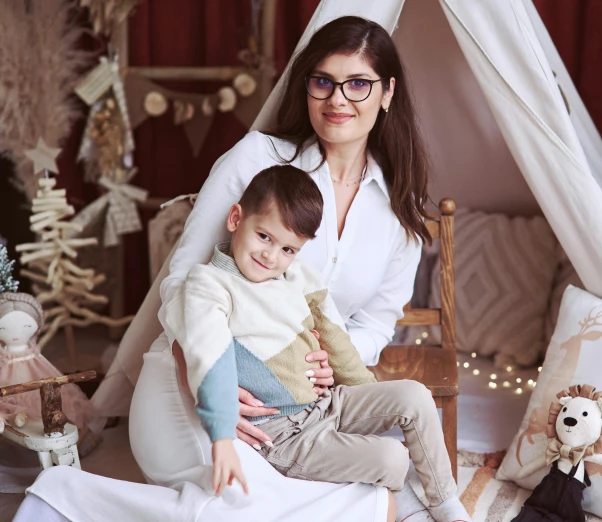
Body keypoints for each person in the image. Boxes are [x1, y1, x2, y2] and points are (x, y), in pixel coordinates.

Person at [13, 15, 455, 522]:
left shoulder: (399, 208)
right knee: (240, 498)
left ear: (387, 92)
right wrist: (209, 384)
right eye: (323, 82)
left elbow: (376, 322)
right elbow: (180, 281)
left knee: (334, 491)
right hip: (188, 381)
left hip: (299, 407)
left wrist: (331, 363)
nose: (338, 99)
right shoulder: (256, 160)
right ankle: (63, 499)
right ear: (305, 87)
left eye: (358, 83)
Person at [168, 164, 469, 521]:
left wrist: (367, 398)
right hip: (282, 435)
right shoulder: (209, 285)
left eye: (288, 249)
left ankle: (445, 502)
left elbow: (332, 335)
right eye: (263, 237)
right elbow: (209, 355)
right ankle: (397, 506)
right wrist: (221, 435)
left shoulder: (294, 275)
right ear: (236, 219)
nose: (271, 256)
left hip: (326, 405)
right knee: (392, 457)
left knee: (415, 395)